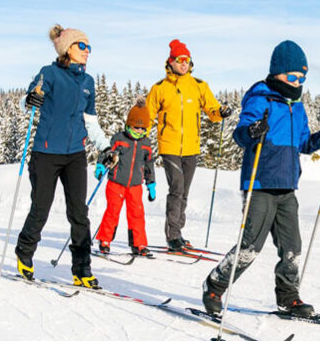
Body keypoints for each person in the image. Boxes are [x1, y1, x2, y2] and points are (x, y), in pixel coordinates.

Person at [201, 40, 320, 319]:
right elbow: (240, 135)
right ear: (278, 72)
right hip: (259, 184)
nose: (297, 83)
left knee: (292, 248)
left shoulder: (298, 107)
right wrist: (253, 131)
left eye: (302, 78)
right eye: (293, 77)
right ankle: (214, 287)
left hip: (287, 187)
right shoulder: (261, 99)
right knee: (250, 247)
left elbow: (305, 144)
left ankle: (288, 298)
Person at [14, 25, 115, 289]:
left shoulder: (87, 82)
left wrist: (105, 147)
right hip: (46, 153)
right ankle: (24, 253)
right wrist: (32, 98)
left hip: (75, 155)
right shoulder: (49, 73)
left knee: (79, 214)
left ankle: (82, 269)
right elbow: (26, 101)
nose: (87, 51)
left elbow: (90, 121)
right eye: (81, 46)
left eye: (89, 47)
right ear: (66, 48)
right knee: (41, 209)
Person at [137, 39, 233, 252]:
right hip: (169, 146)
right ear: (170, 62)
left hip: (192, 147)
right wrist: (137, 131)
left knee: (184, 192)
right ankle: (172, 236)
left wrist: (221, 112)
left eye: (187, 60)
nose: (183, 64)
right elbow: (147, 116)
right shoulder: (160, 88)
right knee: (177, 188)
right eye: (180, 60)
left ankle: (178, 233)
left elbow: (212, 110)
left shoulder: (199, 86)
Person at [94, 106, 158, 257]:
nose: (140, 131)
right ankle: (104, 241)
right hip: (116, 182)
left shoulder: (146, 143)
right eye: (136, 127)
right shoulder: (119, 139)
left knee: (137, 214)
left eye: (143, 128)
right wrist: (101, 165)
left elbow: (149, 164)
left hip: (135, 185)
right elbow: (107, 152)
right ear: (129, 124)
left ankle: (139, 244)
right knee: (112, 212)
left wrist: (151, 183)